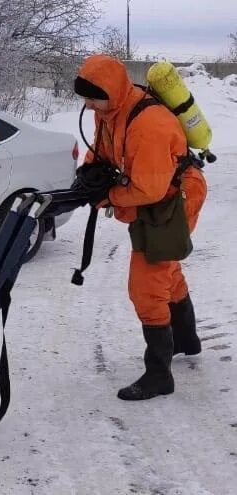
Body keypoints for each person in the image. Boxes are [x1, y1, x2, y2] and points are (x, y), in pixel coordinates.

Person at [73, 54, 206, 401]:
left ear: (112, 89)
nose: (88, 105)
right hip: (156, 195)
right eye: (85, 98)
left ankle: (159, 374)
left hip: (175, 196)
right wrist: (87, 177)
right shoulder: (110, 111)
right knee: (165, 268)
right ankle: (186, 339)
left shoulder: (150, 125)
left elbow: (149, 189)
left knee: (147, 283)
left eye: (92, 97)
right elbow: (100, 152)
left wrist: (109, 197)